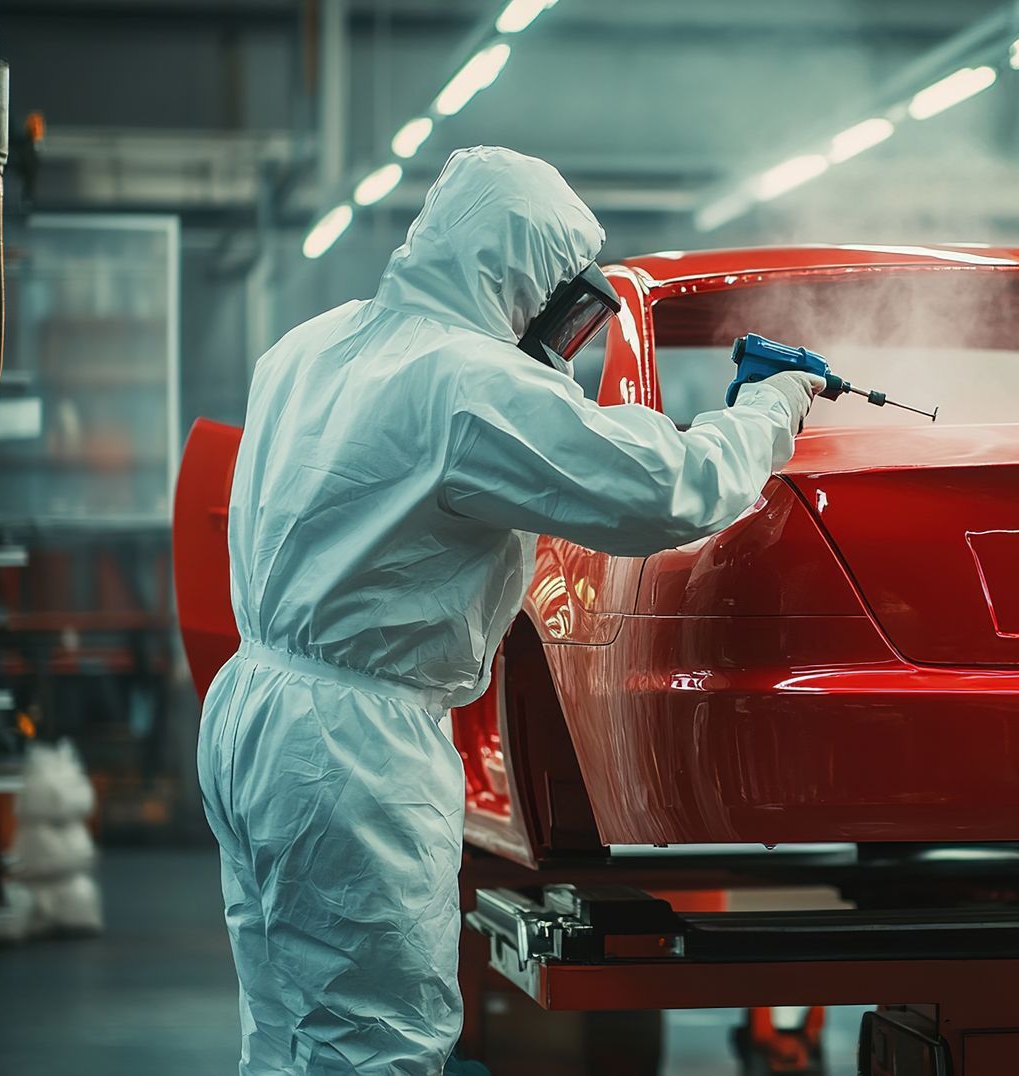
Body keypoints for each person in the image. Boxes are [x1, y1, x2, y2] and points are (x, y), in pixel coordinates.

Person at [196, 146, 822, 1075]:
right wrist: (773, 409)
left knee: (285, 1026)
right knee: (379, 1043)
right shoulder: (466, 384)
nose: (558, 336)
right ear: (517, 275)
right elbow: (663, 489)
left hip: (251, 711)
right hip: (353, 752)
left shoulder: (311, 344)